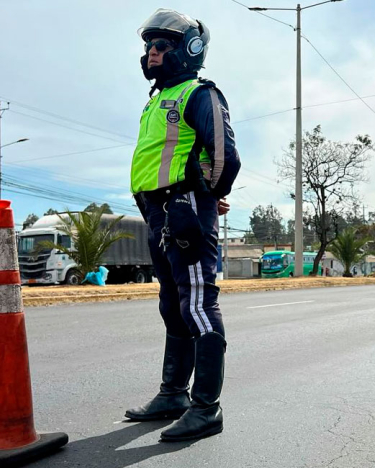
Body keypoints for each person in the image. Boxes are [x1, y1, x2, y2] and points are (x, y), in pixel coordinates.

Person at [126, 8, 240, 442]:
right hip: (161, 212)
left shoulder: (199, 92)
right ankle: (173, 394)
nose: (152, 53)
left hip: (183, 208)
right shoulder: (156, 100)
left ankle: (206, 407)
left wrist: (205, 196)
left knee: (197, 303)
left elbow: (224, 154)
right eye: (149, 47)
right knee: (172, 303)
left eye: (162, 46)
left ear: (189, 50)